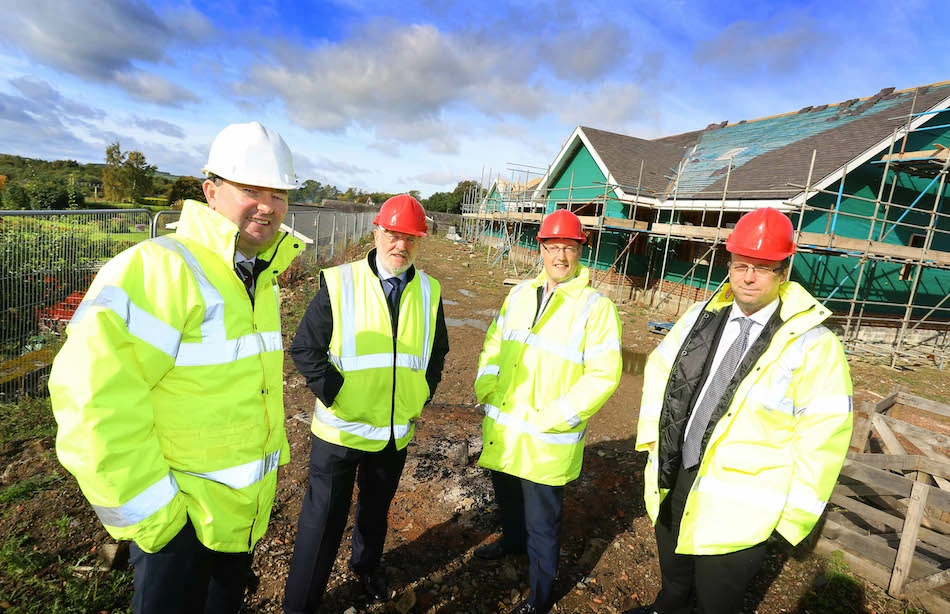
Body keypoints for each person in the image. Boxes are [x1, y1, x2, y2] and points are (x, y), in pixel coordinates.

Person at [49, 121, 303, 613]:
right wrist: (160, 520)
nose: (267, 205)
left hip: (236, 520)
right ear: (211, 192)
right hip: (179, 528)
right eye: (249, 188)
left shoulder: (257, 278)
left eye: (278, 192)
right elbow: (92, 402)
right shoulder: (157, 269)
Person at [627, 207, 853, 614]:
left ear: (783, 272)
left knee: (717, 598)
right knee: (673, 567)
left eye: (762, 268)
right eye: (742, 264)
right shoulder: (701, 317)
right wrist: (652, 441)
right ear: (729, 264)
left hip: (742, 504)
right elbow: (660, 372)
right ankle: (668, 605)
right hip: (679, 469)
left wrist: (791, 521)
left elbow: (824, 438)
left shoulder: (815, 346)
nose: (749, 276)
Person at [282, 194, 449, 613]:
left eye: (410, 238)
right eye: (393, 235)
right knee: (321, 523)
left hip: (393, 432)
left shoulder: (430, 291)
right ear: (377, 232)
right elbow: (305, 348)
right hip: (341, 431)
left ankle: (367, 569)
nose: (401, 246)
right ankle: (300, 604)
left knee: (375, 513)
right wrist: (336, 393)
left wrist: (421, 394)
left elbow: (437, 354)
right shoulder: (340, 283)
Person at [473, 209, 623, 614]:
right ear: (540, 248)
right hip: (505, 427)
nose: (561, 255)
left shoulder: (596, 308)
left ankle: (539, 596)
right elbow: (494, 341)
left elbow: (603, 375)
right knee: (507, 497)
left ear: (580, 251)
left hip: (545, 437)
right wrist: (486, 383)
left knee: (543, 523)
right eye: (553, 246)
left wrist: (556, 416)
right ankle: (510, 541)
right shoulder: (520, 294)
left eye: (569, 247)